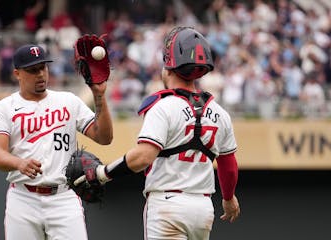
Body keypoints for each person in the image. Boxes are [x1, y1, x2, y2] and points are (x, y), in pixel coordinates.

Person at [77, 26, 240, 240]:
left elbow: (142, 157)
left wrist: (101, 174)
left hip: (167, 205)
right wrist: (228, 198)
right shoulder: (220, 113)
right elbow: (228, 166)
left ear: (169, 68)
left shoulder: (163, 107)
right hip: (203, 208)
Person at [0, 43, 113, 239]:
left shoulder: (69, 101)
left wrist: (99, 95)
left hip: (63, 197)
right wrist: (19, 163)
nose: (40, 74)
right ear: (17, 73)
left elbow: (104, 138)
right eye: (33, 70)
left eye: (43, 67)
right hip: (23, 198)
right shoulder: (4, 108)